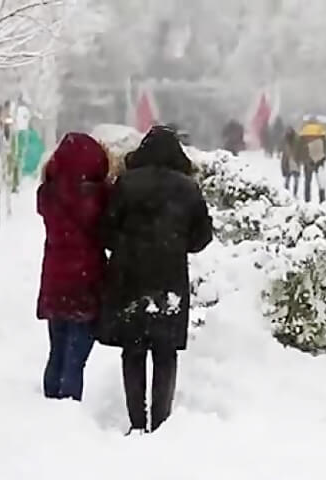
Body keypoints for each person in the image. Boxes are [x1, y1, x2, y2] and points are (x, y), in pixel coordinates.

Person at [97, 126, 213, 435]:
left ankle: (136, 421)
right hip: (169, 278)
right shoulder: (188, 188)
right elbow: (202, 237)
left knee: (133, 350)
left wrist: (126, 244)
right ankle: (161, 423)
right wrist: (175, 242)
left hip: (129, 277)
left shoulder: (126, 184)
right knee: (165, 351)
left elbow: (105, 230)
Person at [36, 132, 111, 401]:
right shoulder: (99, 197)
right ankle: (67, 409)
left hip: (55, 280)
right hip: (85, 281)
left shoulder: (48, 194)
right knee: (76, 358)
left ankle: (50, 402)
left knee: (56, 350)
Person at [297, 117, 326, 203]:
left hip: (308, 159)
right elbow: (325, 144)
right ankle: (322, 199)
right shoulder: (320, 129)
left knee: (307, 181)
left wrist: (301, 158)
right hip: (319, 159)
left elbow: (300, 146)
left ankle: (307, 200)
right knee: (320, 180)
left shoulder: (304, 130)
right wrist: (324, 156)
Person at [280, 126, 301, 196]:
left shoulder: (295, 140)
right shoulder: (286, 140)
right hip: (289, 162)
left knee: (294, 179)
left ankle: (293, 193)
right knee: (289, 179)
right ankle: (288, 193)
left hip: (294, 161)